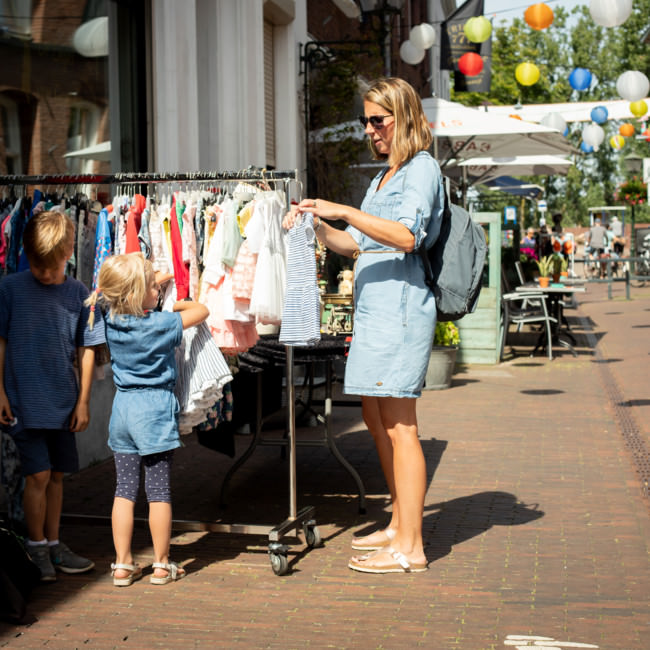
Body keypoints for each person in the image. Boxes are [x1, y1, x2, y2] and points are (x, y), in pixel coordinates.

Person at [284, 77, 444, 574]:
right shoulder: (383, 177)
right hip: (375, 314)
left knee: (401, 428)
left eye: (379, 119)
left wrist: (346, 209)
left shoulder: (421, 170)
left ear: (405, 117)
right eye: (366, 120)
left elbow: (406, 236)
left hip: (399, 311)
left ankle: (411, 549)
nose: (370, 129)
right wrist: (314, 222)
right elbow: (353, 243)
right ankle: (399, 524)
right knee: (376, 422)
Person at [89, 252, 208, 586]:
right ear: (136, 292)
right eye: (150, 285)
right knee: (158, 491)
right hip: (154, 412)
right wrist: (173, 304)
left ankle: (123, 565)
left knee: (124, 490)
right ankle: (161, 563)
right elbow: (201, 311)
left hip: (123, 410)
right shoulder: (161, 323)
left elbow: (107, 295)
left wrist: (145, 284)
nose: (156, 288)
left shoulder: (110, 319)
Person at [0, 210, 106, 582]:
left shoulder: (79, 293)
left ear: (67, 255)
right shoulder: (10, 288)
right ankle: (37, 546)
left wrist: (83, 401)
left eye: (51, 267)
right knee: (38, 475)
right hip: (24, 401)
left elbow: (88, 349)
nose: (45, 275)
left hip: (63, 401)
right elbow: (1, 340)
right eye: (37, 266)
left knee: (58, 475)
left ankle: (55, 543)